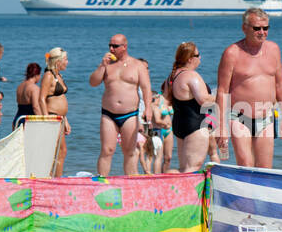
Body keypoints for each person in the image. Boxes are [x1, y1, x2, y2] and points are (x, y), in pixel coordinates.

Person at [216, 8, 282, 168]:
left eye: (266, 28)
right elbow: (222, 91)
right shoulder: (232, 53)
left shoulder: (274, 49)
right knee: (245, 164)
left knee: (265, 168)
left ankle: (262, 194)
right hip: (239, 116)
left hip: (266, 117)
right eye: (257, 28)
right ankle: (243, 194)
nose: (262, 32)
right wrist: (221, 126)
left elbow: (280, 84)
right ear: (244, 28)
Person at [90, 33, 152, 175]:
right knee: (107, 150)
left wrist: (148, 109)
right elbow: (93, 83)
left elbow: (146, 88)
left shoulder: (137, 65)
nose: (111, 49)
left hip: (130, 114)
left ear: (124, 47)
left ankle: (130, 183)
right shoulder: (107, 65)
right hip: (108, 114)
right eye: (110, 46)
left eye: (115, 46)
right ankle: (101, 183)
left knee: (129, 152)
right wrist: (101, 66)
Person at [163, 42, 214, 173]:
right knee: (192, 169)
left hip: (180, 125)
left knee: (183, 169)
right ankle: (179, 191)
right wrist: (221, 95)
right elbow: (204, 100)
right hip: (195, 125)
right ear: (190, 59)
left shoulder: (172, 76)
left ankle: (167, 186)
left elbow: (167, 101)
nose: (200, 58)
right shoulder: (191, 75)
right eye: (198, 55)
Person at [39, 48, 71, 177]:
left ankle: (56, 177)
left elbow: (61, 99)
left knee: (61, 151)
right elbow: (41, 98)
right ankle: (56, 179)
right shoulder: (48, 76)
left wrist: (66, 120)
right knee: (58, 150)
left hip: (60, 118)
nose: (67, 62)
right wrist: (47, 119)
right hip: (52, 117)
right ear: (58, 61)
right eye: (65, 59)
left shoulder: (59, 75)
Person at [14, 62, 42, 130]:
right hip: (29, 121)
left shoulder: (20, 86)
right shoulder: (34, 88)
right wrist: (43, 120)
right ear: (36, 75)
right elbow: (35, 107)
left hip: (17, 119)